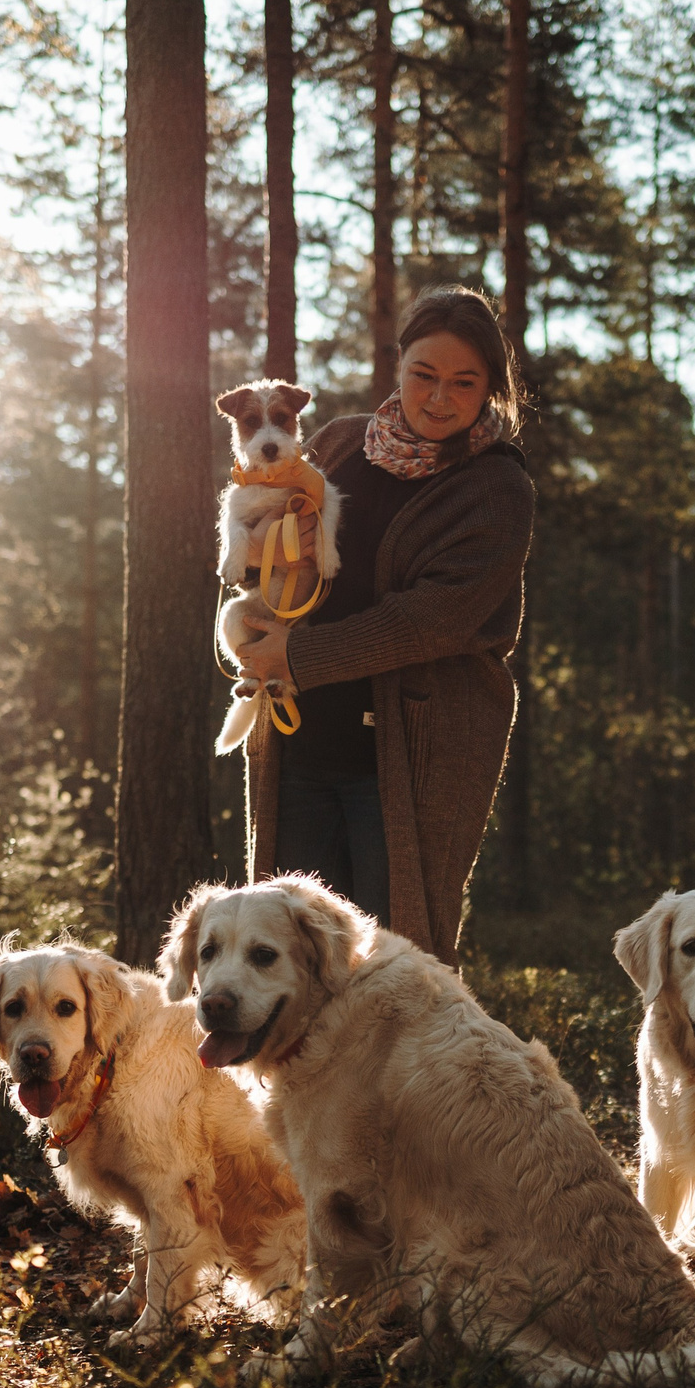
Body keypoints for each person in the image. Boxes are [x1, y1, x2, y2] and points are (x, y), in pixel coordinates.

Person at [226, 286, 535, 966]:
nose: (438, 398)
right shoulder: (339, 442)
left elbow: (430, 620)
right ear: (399, 367)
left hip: (414, 758)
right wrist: (249, 619)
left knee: (398, 963)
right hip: (301, 744)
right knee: (289, 955)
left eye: (464, 382)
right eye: (424, 374)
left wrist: (297, 656)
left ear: (490, 388)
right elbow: (257, 538)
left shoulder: (495, 487)